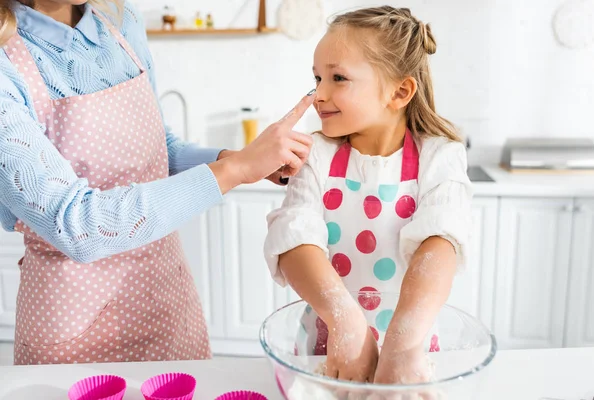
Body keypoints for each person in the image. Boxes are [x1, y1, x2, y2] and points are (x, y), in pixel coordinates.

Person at [0, 0, 314, 365]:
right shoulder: (8, 62)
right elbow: (75, 225)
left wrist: (234, 160)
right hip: (75, 330)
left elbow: (161, 151)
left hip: (168, 304)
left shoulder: (120, 20)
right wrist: (235, 170)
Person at [264, 6, 473, 385]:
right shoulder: (316, 155)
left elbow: (439, 244)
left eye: (338, 78)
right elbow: (296, 241)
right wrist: (346, 322)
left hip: (411, 351)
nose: (318, 94)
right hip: (329, 345)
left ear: (399, 91)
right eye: (317, 77)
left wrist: (402, 345)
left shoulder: (439, 158)